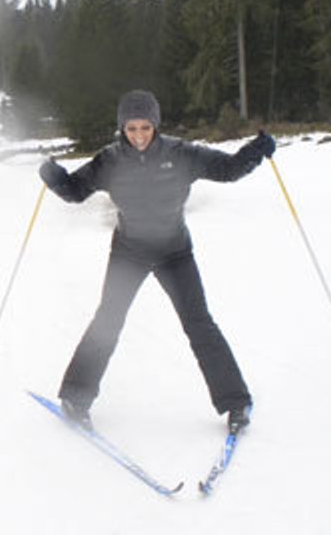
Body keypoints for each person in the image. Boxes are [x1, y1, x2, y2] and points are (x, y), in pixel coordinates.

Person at [38, 89, 275, 434]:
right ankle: (76, 396)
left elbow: (227, 169)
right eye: (131, 129)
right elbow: (75, 191)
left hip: (174, 251)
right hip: (129, 251)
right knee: (108, 319)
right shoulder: (110, 161)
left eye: (145, 128)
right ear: (122, 128)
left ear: (155, 126)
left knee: (199, 323)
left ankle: (236, 403)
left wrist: (256, 150)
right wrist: (54, 177)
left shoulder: (181, 154)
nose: (138, 136)